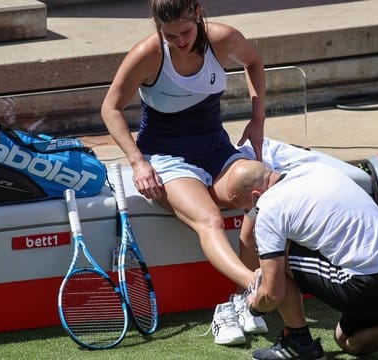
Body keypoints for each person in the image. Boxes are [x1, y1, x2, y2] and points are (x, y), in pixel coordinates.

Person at [101, 1, 265, 297]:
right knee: (210, 219)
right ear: (158, 27)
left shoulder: (223, 38)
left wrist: (257, 117)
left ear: (198, 14)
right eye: (170, 35)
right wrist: (138, 163)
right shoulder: (147, 54)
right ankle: (255, 287)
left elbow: (253, 61)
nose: (180, 41)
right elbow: (110, 108)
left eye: (185, 32)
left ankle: (244, 300)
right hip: (166, 159)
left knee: (262, 191)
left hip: (216, 150)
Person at [224, 160, 378, 359]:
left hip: (368, 285)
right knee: (345, 340)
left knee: (277, 264)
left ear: (256, 195)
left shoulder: (269, 207)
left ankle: (298, 342)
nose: (250, 215)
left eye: (246, 209)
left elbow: (272, 293)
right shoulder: (315, 169)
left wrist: (254, 306)